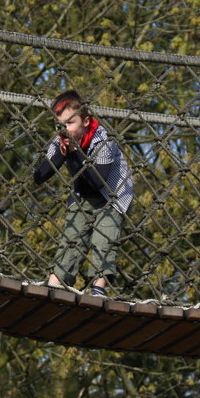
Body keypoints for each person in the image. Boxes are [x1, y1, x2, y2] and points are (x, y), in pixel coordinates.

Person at [33, 90, 134, 296]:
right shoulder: (61, 139)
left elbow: (97, 181)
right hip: (82, 195)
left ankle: (98, 287)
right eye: (59, 124)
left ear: (85, 121)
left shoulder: (103, 139)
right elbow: (40, 175)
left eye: (69, 123)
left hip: (112, 195)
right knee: (72, 235)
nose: (63, 129)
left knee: (104, 238)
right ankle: (56, 282)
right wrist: (62, 154)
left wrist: (74, 153)